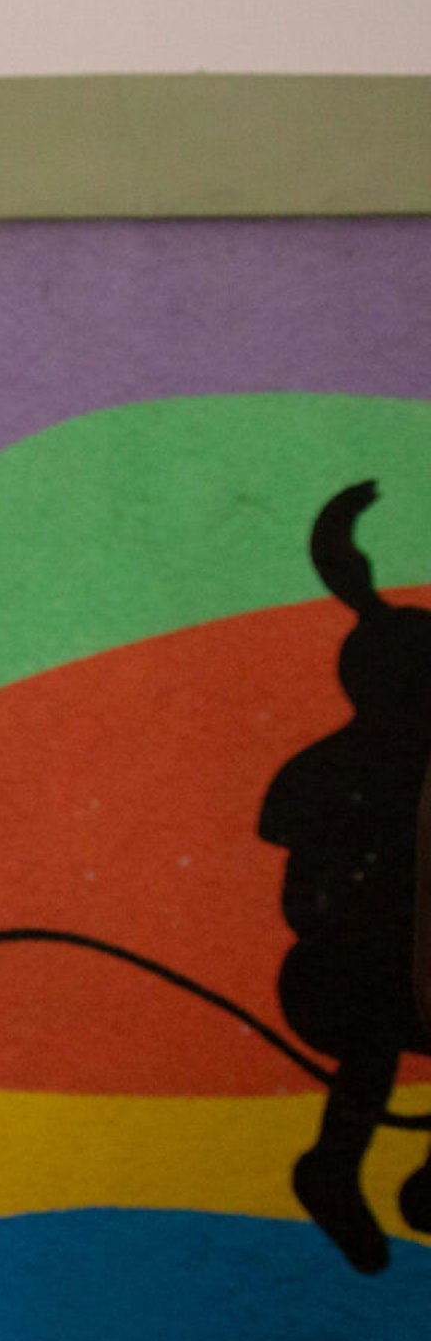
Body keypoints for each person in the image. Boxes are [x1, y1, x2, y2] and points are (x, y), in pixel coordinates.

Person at [259, 479, 431, 1273]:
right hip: (345, 973)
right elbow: (302, 887)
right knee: (372, 1028)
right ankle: (333, 1162)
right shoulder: (333, 771)